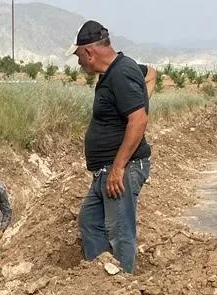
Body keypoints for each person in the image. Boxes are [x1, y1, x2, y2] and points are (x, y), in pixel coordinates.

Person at [69, 20, 152, 273]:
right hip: (105, 171)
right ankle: (101, 277)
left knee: (120, 230)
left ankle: (122, 286)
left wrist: (118, 168)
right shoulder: (115, 71)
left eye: (79, 56)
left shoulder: (122, 71)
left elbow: (138, 119)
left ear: (90, 52)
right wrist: (141, 100)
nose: (79, 63)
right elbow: (152, 73)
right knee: (90, 221)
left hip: (120, 170)